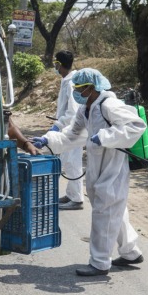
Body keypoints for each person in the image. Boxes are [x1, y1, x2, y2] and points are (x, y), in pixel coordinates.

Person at [31, 68, 146, 276]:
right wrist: (49, 140)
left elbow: (137, 126)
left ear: (93, 87)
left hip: (113, 166)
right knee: (112, 209)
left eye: (81, 88)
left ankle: (100, 262)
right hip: (97, 165)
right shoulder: (85, 108)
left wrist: (105, 136)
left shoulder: (109, 104)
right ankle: (130, 252)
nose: (77, 92)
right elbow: (72, 135)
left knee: (105, 210)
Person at [51, 51, 84, 210]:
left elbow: (73, 112)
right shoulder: (66, 80)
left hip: (72, 130)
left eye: (55, 64)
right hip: (66, 130)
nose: (55, 67)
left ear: (59, 64)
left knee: (73, 163)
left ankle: (77, 199)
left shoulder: (71, 83)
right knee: (67, 162)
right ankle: (71, 195)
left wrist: (59, 124)